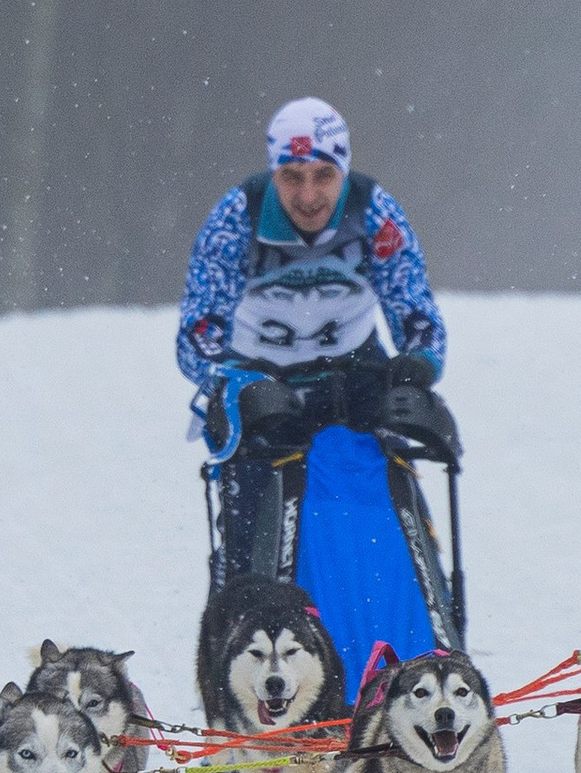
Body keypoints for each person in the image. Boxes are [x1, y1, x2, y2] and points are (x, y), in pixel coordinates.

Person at [177, 97, 459, 672]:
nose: (308, 195)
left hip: (352, 374)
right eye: (292, 176)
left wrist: (417, 367)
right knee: (255, 535)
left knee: (381, 509)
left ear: (344, 170)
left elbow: (419, 317)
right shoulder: (236, 219)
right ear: (273, 173)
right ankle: (243, 667)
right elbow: (197, 336)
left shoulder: (375, 214)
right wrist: (235, 381)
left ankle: (421, 653)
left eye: (324, 175)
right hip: (258, 379)